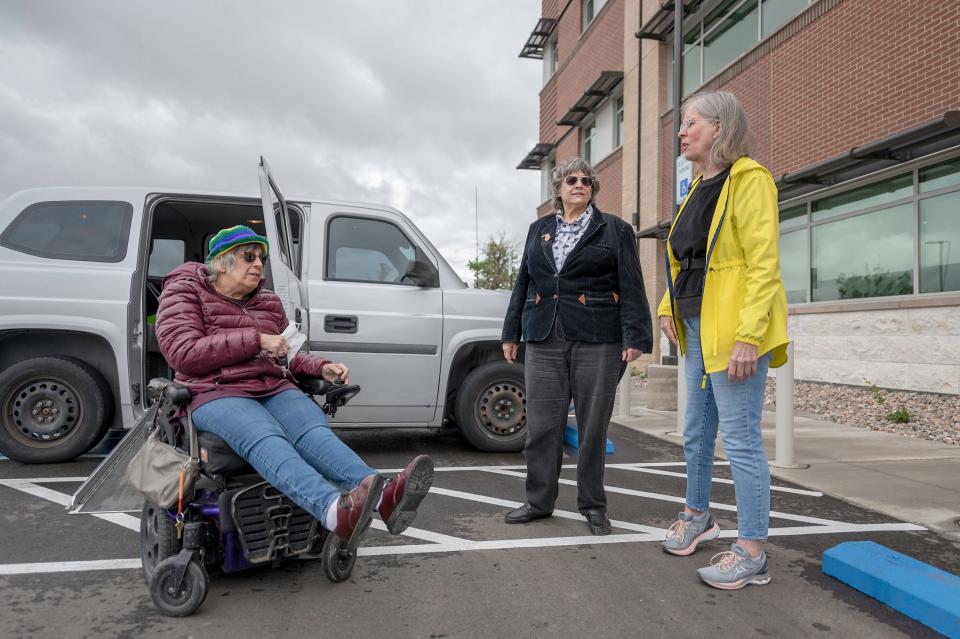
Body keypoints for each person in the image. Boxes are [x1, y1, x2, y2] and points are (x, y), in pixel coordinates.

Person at [155, 225, 433, 548]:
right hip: (216, 389)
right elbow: (183, 352)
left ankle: (385, 495)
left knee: (313, 433)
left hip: (272, 386)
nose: (258, 264)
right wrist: (255, 340)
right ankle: (333, 511)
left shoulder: (269, 302)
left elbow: (290, 353)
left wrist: (321, 367)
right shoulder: (185, 291)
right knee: (266, 435)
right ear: (222, 262)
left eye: (262, 257)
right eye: (249, 256)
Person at [657, 91, 789, 590]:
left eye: (690, 122)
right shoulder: (694, 189)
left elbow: (763, 263)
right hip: (695, 326)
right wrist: (668, 306)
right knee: (695, 430)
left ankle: (752, 550)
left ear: (719, 128)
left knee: (740, 439)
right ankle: (698, 516)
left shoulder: (750, 179)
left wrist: (749, 336)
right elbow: (678, 258)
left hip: (734, 330)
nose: (682, 131)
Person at [501, 157, 652, 536]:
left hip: (598, 338)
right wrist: (510, 333)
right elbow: (525, 283)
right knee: (541, 426)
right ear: (559, 188)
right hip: (544, 337)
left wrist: (635, 336)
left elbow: (632, 283)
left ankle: (593, 506)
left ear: (593, 189)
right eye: (572, 179)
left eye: (587, 180)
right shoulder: (539, 229)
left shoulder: (614, 229)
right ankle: (538, 501)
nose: (579, 184)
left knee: (592, 428)